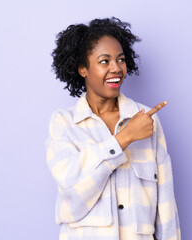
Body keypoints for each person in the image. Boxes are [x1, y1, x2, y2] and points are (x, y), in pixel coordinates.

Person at [46, 17, 180, 240]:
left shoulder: (147, 120)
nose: (116, 69)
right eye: (104, 61)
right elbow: (72, 190)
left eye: (121, 60)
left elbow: (166, 205)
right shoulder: (64, 123)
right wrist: (124, 138)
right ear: (82, 68)